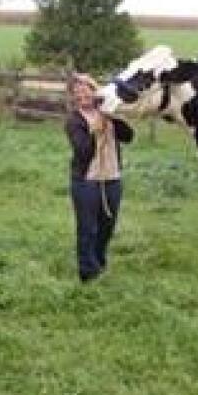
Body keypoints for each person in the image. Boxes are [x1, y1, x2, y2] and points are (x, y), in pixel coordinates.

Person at [64, 73, 134, 282]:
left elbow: (129, 137)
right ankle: (88, 274)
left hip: (112, 179)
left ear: (95, 92)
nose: (82, 95)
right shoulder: (74, 121)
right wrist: (94, 131)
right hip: (86, 183)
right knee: (88, 228)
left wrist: (112, 116)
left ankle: (99, 263)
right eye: (77, 93)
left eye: (86, 90)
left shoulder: (108, 113)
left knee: (107, 226)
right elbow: (83, 151)